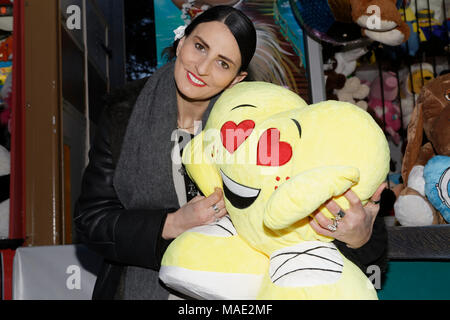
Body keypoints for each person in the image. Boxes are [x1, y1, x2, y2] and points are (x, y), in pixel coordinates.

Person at [74, 5, 387, 300]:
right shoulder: (124, 114)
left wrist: (359, 236)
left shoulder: (264, 118)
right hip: (136, 288)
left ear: (237, 78)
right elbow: (91, 220)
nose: (203, 68)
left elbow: (358, 229)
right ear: (181, 42)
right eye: (200, 47)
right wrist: (173, 223)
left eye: (223, 63)